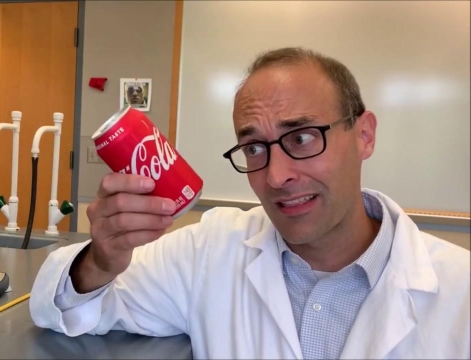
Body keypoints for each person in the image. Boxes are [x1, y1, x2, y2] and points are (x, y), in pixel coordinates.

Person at [30, 47, 470, 359]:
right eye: (255, 148)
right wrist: (102, 260)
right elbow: (68, 305)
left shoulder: (459, 290)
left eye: (301, 137)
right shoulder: (209, 251)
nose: (276, 176)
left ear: (364, 135)